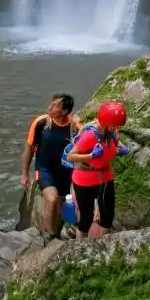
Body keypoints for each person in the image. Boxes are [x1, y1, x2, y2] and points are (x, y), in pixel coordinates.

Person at [20, 93, 82, 237]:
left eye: (54, 106)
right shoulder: (41, 123)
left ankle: (58, 233)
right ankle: (51, 237)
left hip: (65, 173)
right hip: (44, 169)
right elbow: (29, 148)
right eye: (51, 104)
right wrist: (24, 174)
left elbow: (86, 143)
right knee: (51, 198)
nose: (50, 107)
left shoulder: (74, 127)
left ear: (65, 111)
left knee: (59, 205)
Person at [65, 101, 128, 238]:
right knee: (86, 217)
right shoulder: (90, 136)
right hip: (85, 180)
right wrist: (91, 156)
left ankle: (101, 243)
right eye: (114, 125)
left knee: (107, 216)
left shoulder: (111, 131)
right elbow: (71, 156)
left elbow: (113, 143)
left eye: (118, 125)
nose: (116, 128)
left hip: (105, 177)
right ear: (105, 122)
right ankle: (79, 246)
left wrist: (120, 149)